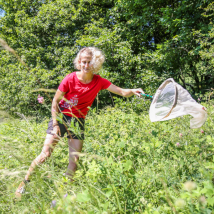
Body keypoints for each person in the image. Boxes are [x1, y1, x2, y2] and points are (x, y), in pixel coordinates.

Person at [15, 47, 144, 199]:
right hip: (61, 116)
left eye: (89, 62)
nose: (86, 65)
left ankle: (63, 195)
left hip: (78, 121)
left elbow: (122, 92)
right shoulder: (70, 79)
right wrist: (56, 125)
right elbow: (55, 102)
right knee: (45, 154)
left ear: (95, 63)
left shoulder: (99, 81)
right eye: (83, 62)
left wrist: (134, 90)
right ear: (79, 62)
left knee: (74, 161)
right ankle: (23, 184)